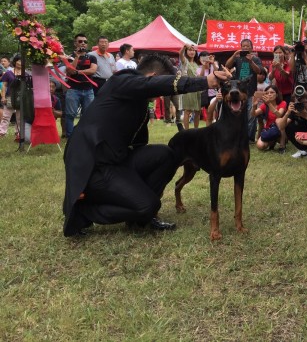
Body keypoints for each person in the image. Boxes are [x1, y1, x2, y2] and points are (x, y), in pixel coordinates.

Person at [62, 53, 230, 237]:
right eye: (160, 89)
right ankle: (85, 211)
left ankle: (141, 215)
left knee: (166, 154)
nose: (160, 96)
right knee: (148, 205)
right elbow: (150, 86)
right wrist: (205, 81)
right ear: (153, 78)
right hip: (94, 166)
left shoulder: (140, 102)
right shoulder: (121, 81)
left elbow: (139, 144)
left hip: (117, 161)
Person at [225, 38, 263, 141]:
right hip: (238, 92)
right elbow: (227, 66)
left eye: (247, 46)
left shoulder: (255, 59)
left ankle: (249, 138)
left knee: (251, 115)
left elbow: (259, 71)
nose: (245, 48)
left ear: (252, 47)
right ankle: (238, 136)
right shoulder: (237, 59)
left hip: (251, 91)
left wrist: (251, 61)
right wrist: (234, 55)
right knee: (238, 114)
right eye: (243, 46)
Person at [64, 34, 97, 138]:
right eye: (80, 41)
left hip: (88, 90)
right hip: (73, 89)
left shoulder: (92, 57)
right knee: (70, 114)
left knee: (88, 114)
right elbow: (69, 71)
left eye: (85, 41)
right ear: (75, 43)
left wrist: (77, 72)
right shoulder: (69, 57)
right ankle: (70, 136)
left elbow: (93, 70)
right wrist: (76, 57)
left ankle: (84, 135)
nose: (83, 43)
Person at [252, 85, 287, 151]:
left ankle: (282, 146)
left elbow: (279, 115)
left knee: (279, 120)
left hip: (280, 131)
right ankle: (272, 142)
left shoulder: (282, 103)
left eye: (272, 92)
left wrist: (269, 103)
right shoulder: (264, 105)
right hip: (269, 130)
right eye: (267, 93)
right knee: (260, 146)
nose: (269, 94)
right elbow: (254, 114)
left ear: (276, 95)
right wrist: (254, 106)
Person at [178, 44, 202, 129]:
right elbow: (180, 53)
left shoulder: (197, 63)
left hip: (197, 89)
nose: (192, 52)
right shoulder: (185, 61)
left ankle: (196, 130)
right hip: (188, 88)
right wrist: (184, 46)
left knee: (198, 111)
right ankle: (187, 131)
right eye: (190, 50)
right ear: (186, 51)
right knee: (187, 111)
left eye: (193, 50)